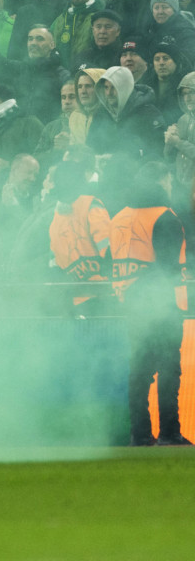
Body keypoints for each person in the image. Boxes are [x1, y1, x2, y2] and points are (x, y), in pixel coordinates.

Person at [108, 163, 191, 446]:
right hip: (161, 305)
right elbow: (167, 268)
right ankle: (170, 432)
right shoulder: (164, 217)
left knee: (140, 371)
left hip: (129, 303)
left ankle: (140, 435)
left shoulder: (119, 217)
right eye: (167, 179)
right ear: (159, 180)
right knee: (169, 369)